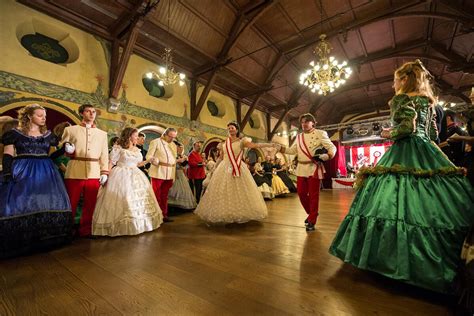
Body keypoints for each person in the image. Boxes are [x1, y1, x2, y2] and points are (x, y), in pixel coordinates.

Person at [329, 60, 474, 293]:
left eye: (395, 79)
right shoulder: (429, 103)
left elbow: (405, 129)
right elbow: (433, 136)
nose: (393, 84)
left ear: (404, 79)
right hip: (428, 150)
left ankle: (393, 261)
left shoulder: (401, 99)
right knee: (435, 196)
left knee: (393, 201)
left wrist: (389, 132)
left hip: (405, 150)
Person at [0, 104, 72, 258]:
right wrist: (7, 171)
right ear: (29, 116)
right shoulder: (14, 134)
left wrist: (64, 148)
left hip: (46, 171)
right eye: (40, 115)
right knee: (21, 202)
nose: (43, 118)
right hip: (23, 169)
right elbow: (8, 154)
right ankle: (23, 241)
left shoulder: (48, 135)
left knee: (45, 202)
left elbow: (53, 155)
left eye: (44, 115)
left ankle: (44, 240)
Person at [194, 121, 275, 224]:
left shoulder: (242, 141)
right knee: (224, 190)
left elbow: (255, 145)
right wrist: (214, 168)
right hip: (224, 168)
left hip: (238, 168)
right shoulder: (224, 143)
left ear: (237, 129)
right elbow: (220, 157)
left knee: (240, 190)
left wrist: (269, 144)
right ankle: (225, 213)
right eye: (229, 128)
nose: (230, 129)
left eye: (232, 127)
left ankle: (239, 213)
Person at [92, 127, 162, 236]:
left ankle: (138, 224)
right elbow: (112, 162)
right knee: (124, 198)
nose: (137, 137)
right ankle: (119, 225)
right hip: (120, 174)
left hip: (136, 174)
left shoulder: (137, 149)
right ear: (129, 136)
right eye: (136, 135)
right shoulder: (118, 147)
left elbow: (137, 164)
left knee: (138, 199)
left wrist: (149, 160)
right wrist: (105, 174)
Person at [280, 113, 336, 231]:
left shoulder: (320, 133)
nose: (304, 124)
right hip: (301, 168)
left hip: (313, 168)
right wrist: (280, 148)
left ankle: (312, 220)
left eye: (306, 121)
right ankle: (312, 213)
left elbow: (332, 148)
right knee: (301, 193)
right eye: (302, 122)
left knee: (314, 196)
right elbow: (292, 150)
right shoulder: (299, 137)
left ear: (313, 123)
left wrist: (327, 155)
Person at [61, 104, 109, 237]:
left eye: (94, 112)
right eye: (88, 111)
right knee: (71, 202)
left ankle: (85, 229)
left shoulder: (102, 134)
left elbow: (105, 154)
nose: (91, 114)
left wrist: (104, 172)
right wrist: (67, 150)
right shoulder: (70, 130)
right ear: (82, 113)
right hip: (74, 170)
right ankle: (67, 229)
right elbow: (62, 150)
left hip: (94, 171)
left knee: (90, 203)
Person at [146, 127, 178, 223]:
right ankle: (155, 215)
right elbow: (148, 155)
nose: (172, 139)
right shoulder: (155, 142)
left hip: (169, 172)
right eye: (170, 136)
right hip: (158, 171)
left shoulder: (173, 145)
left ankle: (164, 214)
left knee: (165, 195)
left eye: (174, 137)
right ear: (165, 134)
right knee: (156, 194)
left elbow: (174, 160)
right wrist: (153, 159)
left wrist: (174, 174)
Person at [168, 142, 197, 210]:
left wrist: (185, 161)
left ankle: (182, 205)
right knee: (174, 189)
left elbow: (184, 166)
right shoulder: (173, 155)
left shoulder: (182, 156)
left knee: (183, 189)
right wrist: (178, 161)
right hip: (174, 172)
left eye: (181, 148)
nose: (180, 150)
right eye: (179, 148)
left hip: (180, 173)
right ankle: (172, 205)